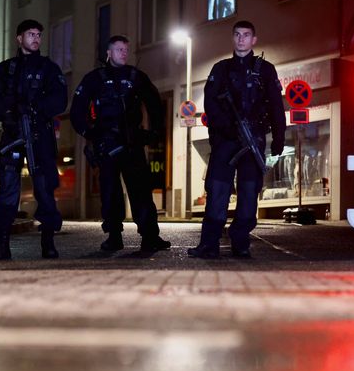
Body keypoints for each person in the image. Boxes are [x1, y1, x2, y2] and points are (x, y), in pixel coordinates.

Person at [188, 20, 286, 259]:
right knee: (217, 191)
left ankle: (240, 241)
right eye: (237, 35)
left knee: (249, 193)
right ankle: (209, 244)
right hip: (226, 141)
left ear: (254, 40)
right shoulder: (220, 69)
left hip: (253, 139)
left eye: (246, 35)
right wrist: (227, 128)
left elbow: (275, 105)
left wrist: (279, 137)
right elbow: (210, 103)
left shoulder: (266, 70)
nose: (241, 39)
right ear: (233, 39)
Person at [70, 35, 170, 253]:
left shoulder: (135, 76)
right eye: (118, 49)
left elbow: (154, 104)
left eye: (126, 49)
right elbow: (77, 110)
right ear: (109, 52)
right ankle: (114, 237)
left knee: (141, 192)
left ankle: (150, 236)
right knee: (110, 193)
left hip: (132, 143)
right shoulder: (94, 78)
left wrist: (153, 132)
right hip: (106, 145)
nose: (123, 53)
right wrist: (90, 133)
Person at [0, 19, 67, 260]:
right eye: (30, 34)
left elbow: (60, 99)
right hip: (12, 134)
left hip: (39, 137)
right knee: (8, 191)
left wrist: (35, 110)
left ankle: (48, 242)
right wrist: (9, 114)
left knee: (44, 190)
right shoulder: (5, 68)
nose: (35, 38)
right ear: (19, 38)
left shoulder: (49, 68)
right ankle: (2, 245)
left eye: (38, 35)